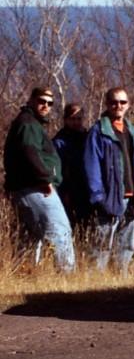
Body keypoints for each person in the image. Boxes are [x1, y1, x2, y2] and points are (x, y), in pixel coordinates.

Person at [3, 87, 75, 272]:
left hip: (27, 187)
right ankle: (67, 279)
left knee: (30, 237)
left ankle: (23, 276)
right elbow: (30, 152)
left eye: (50, 103)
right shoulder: (28, 124)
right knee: (60, 230)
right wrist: (44, 179)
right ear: (32, 100)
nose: (45, 106)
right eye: (41, 101)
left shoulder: (29, 123)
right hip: (36, 188)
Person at [84, 87, 134, 275]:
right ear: (107, 104)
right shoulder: (98, 131)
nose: (118, 106)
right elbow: (91, 165)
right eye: (114, 102)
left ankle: (121, 281)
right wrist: (98, 197)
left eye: (122, 102)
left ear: (128, 105)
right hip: (109, 196)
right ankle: (94, 283)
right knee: (102, 243)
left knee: (127, 244)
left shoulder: (131, 130)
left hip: (131, 196)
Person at [52, 103, 92, 228]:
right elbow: (57, 170)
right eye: (72, 119)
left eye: (79, 118)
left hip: (88, 189)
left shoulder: (88, 138)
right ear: (65, 120)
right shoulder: (59, 142)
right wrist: (63, 192)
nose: (76, 122)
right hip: (69, 189)